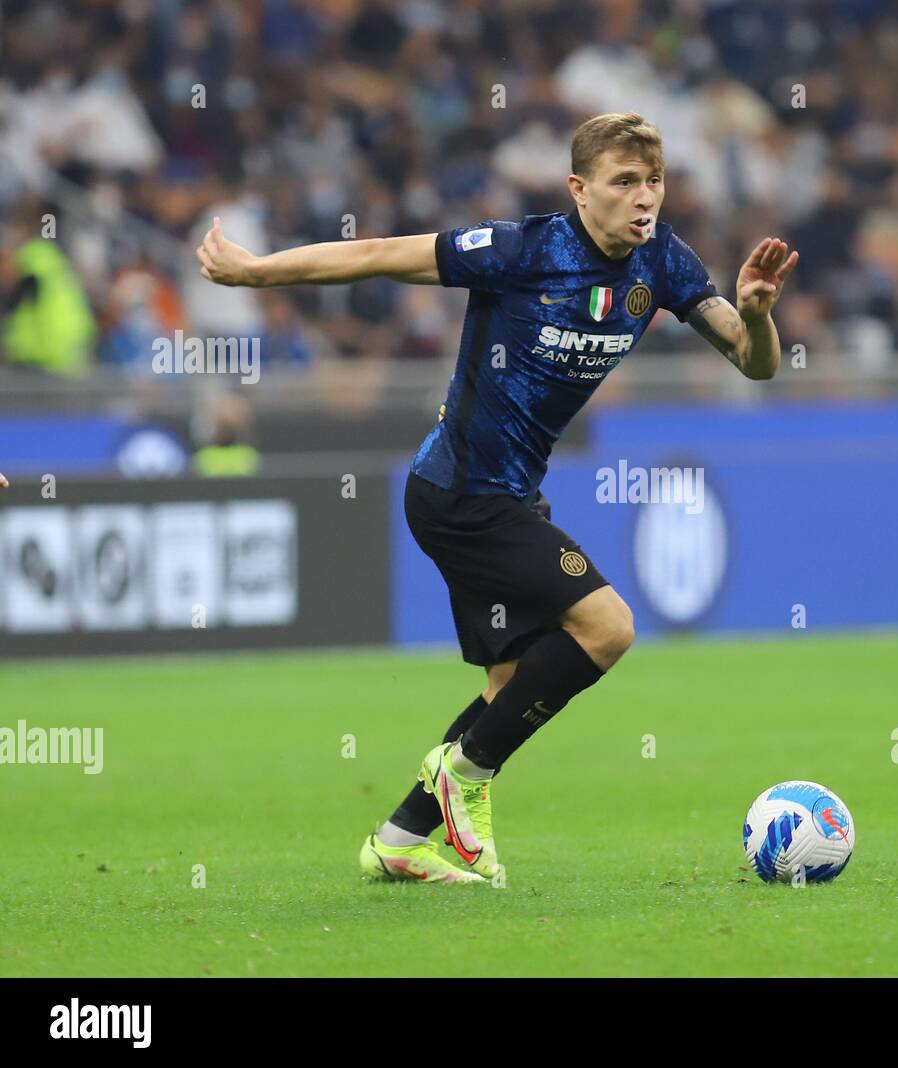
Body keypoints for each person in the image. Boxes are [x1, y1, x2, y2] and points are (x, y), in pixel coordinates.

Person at [196, 112, 798, 886]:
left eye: (653, 181)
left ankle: (401, 838)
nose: (643, 198)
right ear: (580, 190)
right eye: (624, 182)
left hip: (508, 495)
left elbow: (755, 366)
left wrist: (756, 313)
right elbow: (380, 254)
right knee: (607, 627)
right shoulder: (523, 250)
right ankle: (466, 775)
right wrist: (257, 271)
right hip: (460, 496)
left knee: (510, 687)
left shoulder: (666, 263)